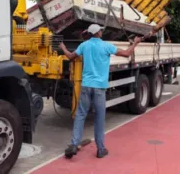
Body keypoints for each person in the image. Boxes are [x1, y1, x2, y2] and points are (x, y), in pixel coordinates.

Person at [59, 24, 142, 159]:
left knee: (80, 115)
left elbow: (70, 56)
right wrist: (135, 43)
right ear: (97, 33)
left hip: (86, 86)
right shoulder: (106, 46)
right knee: (99, 118)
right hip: (99, 88)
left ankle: (74, 145)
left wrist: (62, 47)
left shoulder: (84, 45)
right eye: (101, 30)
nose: (102, 32)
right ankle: (100, 149)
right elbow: (127, 53)